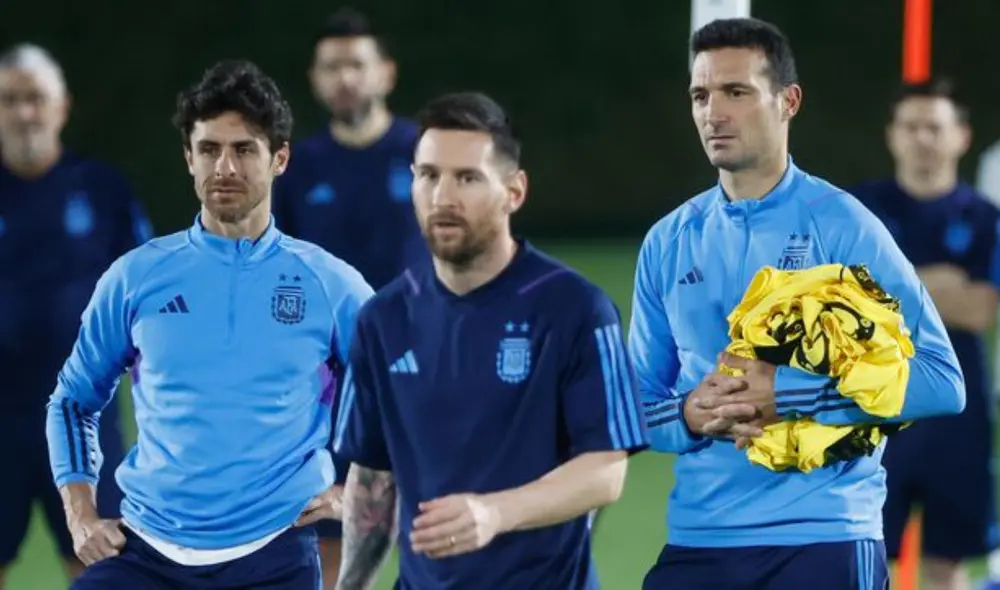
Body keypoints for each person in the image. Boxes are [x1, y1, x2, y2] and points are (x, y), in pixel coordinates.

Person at [630, 18, 965, 589]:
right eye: (701, 95)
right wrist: (690, 414)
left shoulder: (844, 226)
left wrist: (786, 394)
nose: (714, 112)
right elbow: (633, 405)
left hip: (824, 537)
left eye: (737, 92)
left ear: (788, 102)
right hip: (701, 538)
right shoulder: (668, 240)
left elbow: (940, 381)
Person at [45, 59, 372, 589]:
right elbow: (72, 400)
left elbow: (403, 398)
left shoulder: (329, 284)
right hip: (147, 549)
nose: (225, 167)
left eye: (244, 150)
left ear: (279, 159)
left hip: (274, 553)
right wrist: (81, 513)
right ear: (188, 159)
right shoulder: (136, 277)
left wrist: (354, 492)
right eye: (209, 150)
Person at [332, 91, 648, 589]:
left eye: (467, 178)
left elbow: (605, 472)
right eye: (428, 175)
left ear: (514, 191)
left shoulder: (576, 310)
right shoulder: (382, 320)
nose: (443, 197)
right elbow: (372, 482)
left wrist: (495, 512)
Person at [272, 11, 427, 583]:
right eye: (332, 67)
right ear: (314, 78)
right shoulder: (296, 167)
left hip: (421, 371)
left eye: (356, 64)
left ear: (385, 72)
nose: (345, 78)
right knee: (332, 538)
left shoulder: (423, 155)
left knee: (435, 529)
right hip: (327, 385)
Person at [0, 43, 152, 586]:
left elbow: (146, 299)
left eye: (35, 99)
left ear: (61, 107)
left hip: (86, 413)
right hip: (1, 418)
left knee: (102, 565)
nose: (24, 113)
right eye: (10, 99)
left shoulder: (102, 189)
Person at [851, 79, 1000, 590]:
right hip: (874, 409)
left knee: (947, 565)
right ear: (892, 135)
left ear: (961, 136)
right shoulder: (858, 211)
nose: (922, 139)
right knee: (866, 559)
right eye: (910, 126)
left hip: (959, 416)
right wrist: (941, 283)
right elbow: (848, 303)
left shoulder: (985, 219)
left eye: (934, 127)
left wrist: (893, 281)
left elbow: (981, 310)